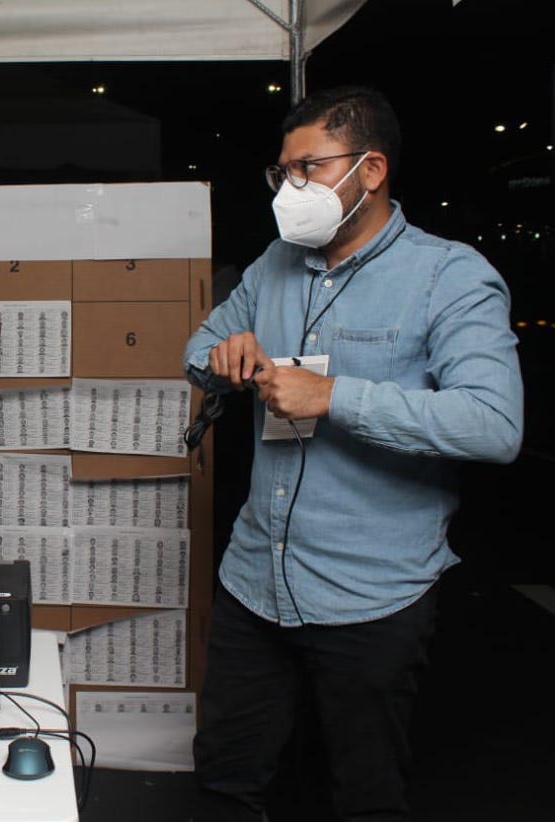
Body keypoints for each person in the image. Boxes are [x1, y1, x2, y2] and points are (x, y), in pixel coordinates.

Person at [183, 85, 523, 822]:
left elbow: (493, 423)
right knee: (223, 779)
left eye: (309, 168)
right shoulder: (273, 264)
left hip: (371, 595)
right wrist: (222, 355)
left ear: (371, 170)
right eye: (282, 172)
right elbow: (199, 344)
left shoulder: (448, 276)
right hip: (254, 581)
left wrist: (334, 396)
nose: (290, 188)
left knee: (364, 795)